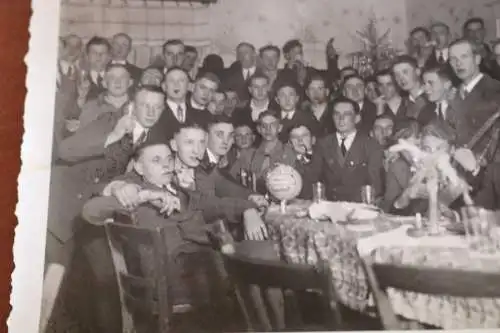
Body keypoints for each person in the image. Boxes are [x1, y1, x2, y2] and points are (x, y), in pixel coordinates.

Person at [307, 97, 384, 202]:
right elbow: (314, 179)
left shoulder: (371, 145)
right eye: (336, 114)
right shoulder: (323, 144)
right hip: (330, 207)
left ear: (357, 118)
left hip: (359, 208)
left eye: (347, 114)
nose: (341, 118)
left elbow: (375, 185)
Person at [448, 38, 500, 163]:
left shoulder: (496, 91)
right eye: (453, 59)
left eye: (464, 57)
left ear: (477, 59)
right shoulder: (452, 96)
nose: (458, 63)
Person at [231, 111, 296, 194]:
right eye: (264, 126)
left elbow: (294, 184)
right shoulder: (248, 154)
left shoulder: (289, 153)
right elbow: (230, 181)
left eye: (272, 125)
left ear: (279, 128)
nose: (268, 129)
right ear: (259, 129)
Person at [150, 67, 211, 143]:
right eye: (172, 80)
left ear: (189, 86)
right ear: (164, 86)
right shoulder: (154, 113)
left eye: (181, 80)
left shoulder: (201, 116)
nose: (176, 84)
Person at [381, 119, 425, 214]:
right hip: (393, 213)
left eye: (421, 136)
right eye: (416, 137)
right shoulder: (398, 163)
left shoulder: (409, 159)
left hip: (405, 211)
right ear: (401, 140)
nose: (420, 140)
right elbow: (415, 190)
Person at [77, 64, 132, 129]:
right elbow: (82, 136)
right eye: (112, 77)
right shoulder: (91, 108)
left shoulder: (138, 107)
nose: (118, 81)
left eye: (122, 77)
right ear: (104, 83)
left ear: (130, 82)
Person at [392, 55, 430, 120]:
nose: (401, 78)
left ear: (417, 72)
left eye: (405, 72)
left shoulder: (431, 97)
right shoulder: (403, 104)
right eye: (397, 75)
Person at [287, 124, 316, 199]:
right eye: (294, 137)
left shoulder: (323, 159)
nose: (300, 140)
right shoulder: (287, 163)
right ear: (290, 143)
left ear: (313, 140)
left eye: (304, 136)